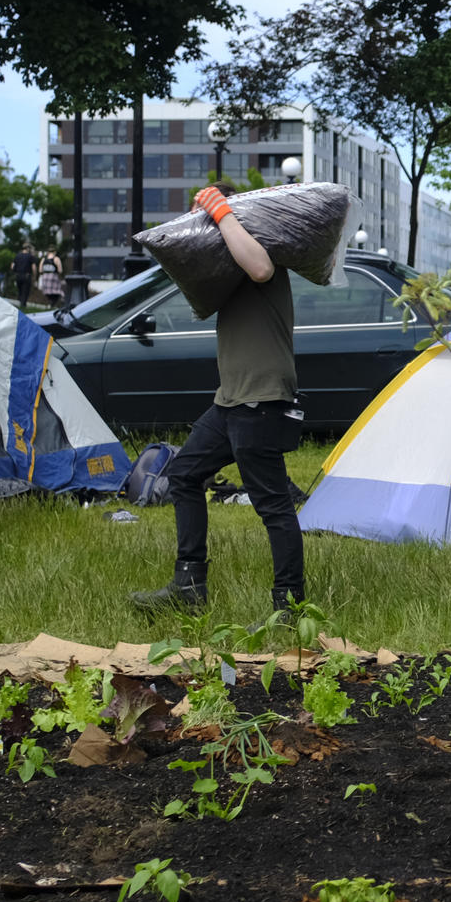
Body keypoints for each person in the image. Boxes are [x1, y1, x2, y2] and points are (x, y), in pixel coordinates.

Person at [132, 185, 306, 612]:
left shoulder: (257, 250)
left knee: (273, 505)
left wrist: (221, 211)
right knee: (186, 476)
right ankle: (189, 587)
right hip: (230, 400)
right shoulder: (227, 269)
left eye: (203, 220)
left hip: (261, 400)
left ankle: (290, 606)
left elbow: (262, 269)